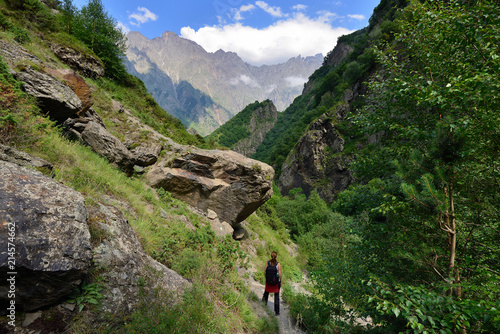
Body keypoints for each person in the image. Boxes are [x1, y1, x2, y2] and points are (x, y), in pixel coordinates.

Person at [262, 251, 281, 315]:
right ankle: (277, 312)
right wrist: (280, 281)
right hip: (275, 283)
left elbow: (265, 272)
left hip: (268, 281)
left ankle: (263, 306)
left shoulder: (267, 263)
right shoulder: (278, 264)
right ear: (276, 257)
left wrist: (267, 278)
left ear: (271, 256)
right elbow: (279, 274)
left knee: (266, 293)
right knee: (276, 296)